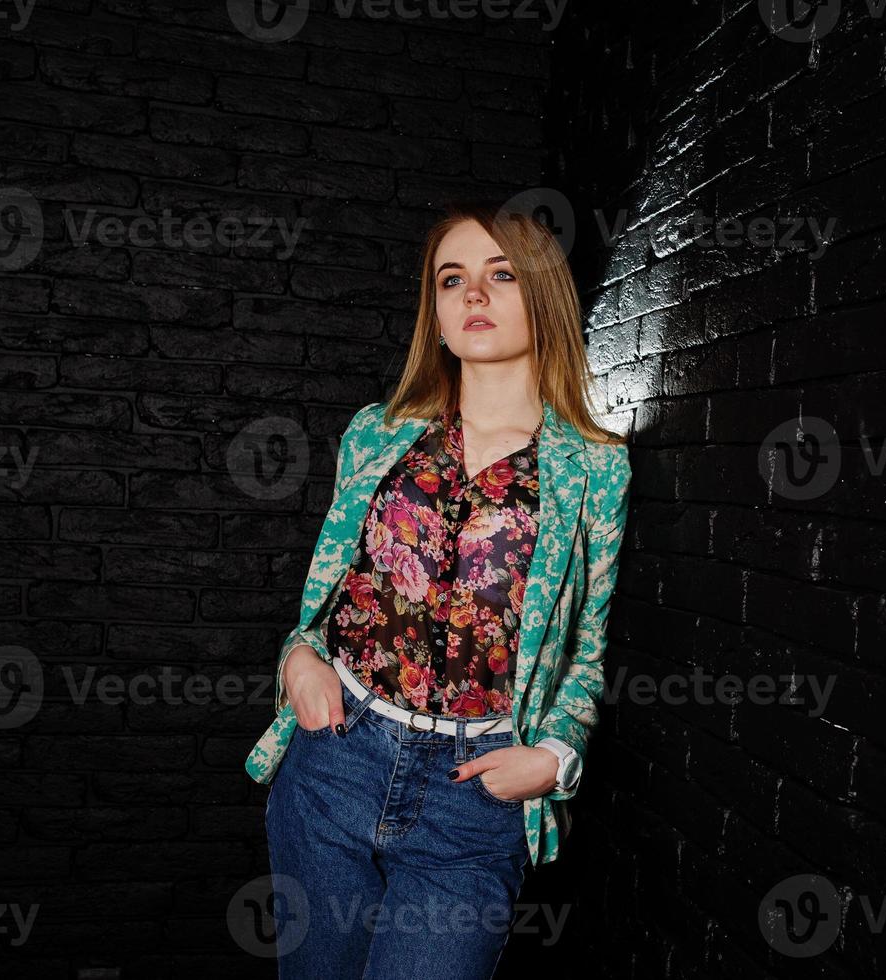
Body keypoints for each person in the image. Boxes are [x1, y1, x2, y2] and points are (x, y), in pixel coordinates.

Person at [244, 200, 632, 978]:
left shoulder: (593, 465)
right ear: (437, 311)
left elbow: (587, 647)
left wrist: (556, 756)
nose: (473, 296)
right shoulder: (378, 431)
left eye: (501, 275)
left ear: (543, 295)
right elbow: (327, 590)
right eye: (452, 279)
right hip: (336, 758)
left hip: (473, 795)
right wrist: (299, 660)